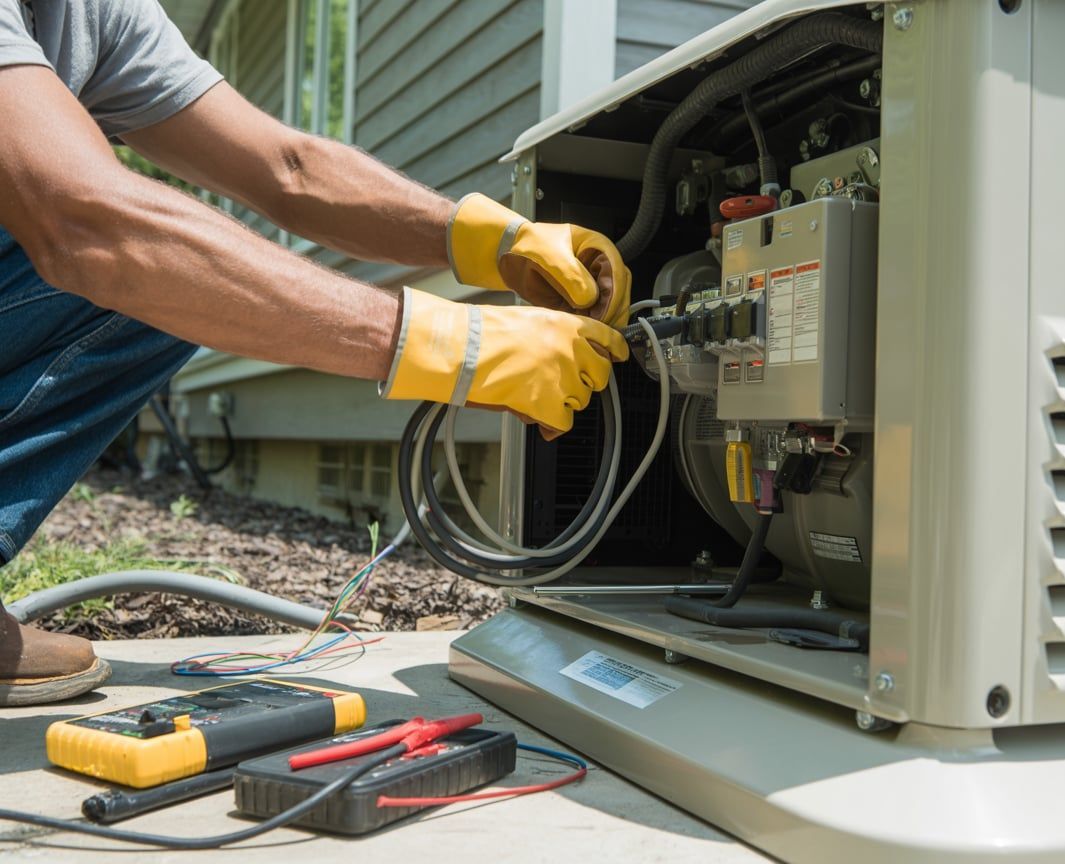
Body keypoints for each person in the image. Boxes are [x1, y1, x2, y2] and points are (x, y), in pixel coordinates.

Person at [0, 0, 631, 707]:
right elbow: (82, 218)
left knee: (187, 276)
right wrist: (453, 345)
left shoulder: (94, 12)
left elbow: (288, 168)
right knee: (151, 255)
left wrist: (491, 241)